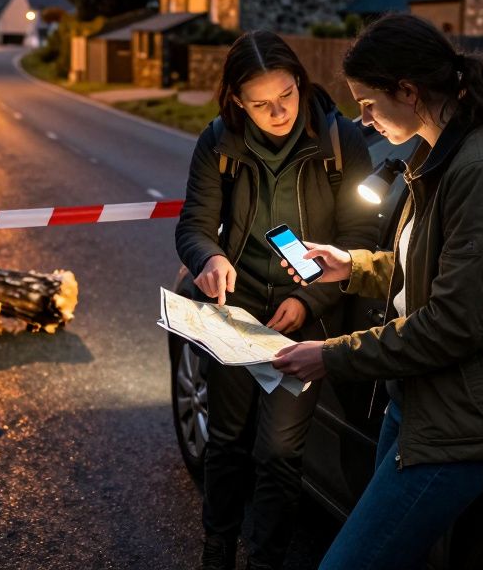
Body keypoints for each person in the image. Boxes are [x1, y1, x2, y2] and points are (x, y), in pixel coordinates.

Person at [271, 13, 483, 570]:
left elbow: (454, 322)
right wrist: (352, 266)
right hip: (420, 401)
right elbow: (431, 267)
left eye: (368, 103)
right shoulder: (439, 156)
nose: (363, 119)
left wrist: (329, 357)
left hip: (465, 421)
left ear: (408, 90)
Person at [175, 30, 377, 570]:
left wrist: (310, 301)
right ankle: (215, 554)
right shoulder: (219, 142)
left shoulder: (340, 142)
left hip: (307, 316)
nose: (278, 111)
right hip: (235, 314)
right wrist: (209, 260)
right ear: (236, 100)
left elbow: (360, 242)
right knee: (225, 443)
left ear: (300, 82)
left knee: (281, 453)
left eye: (286, 95)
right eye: (260, 103)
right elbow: (194, 226)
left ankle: (266, 561)